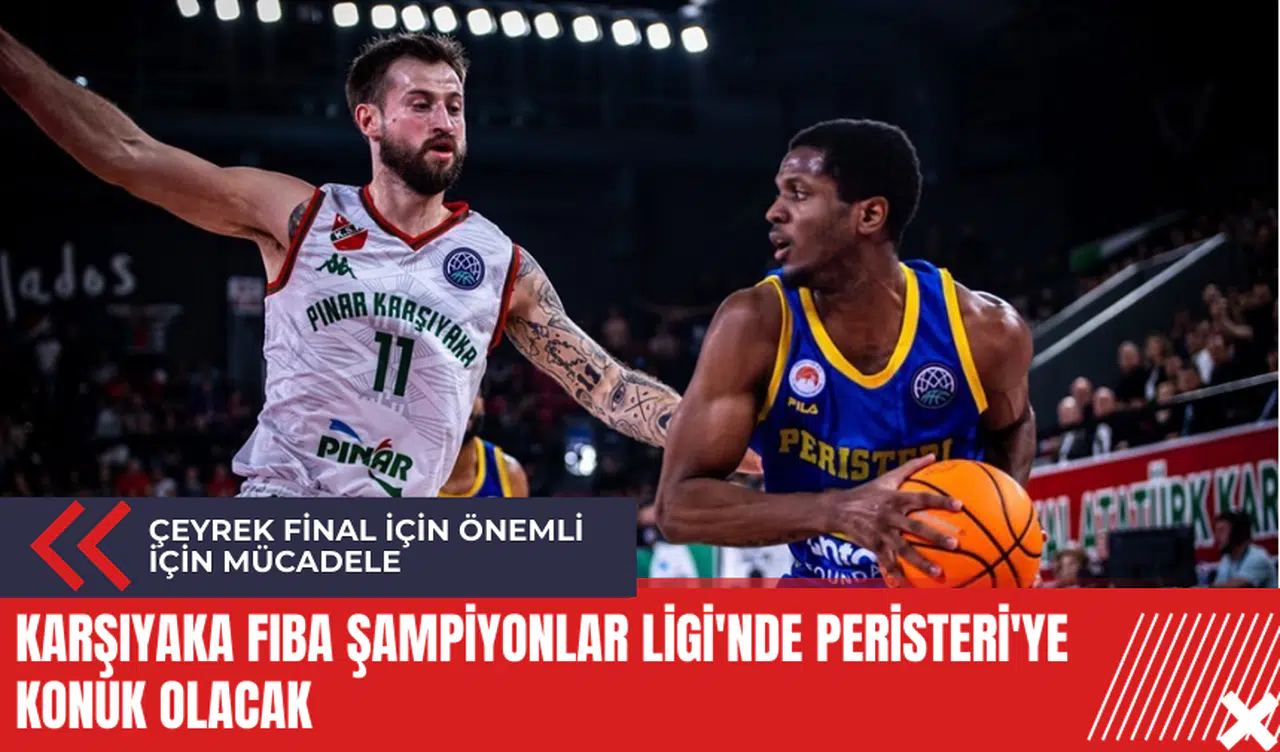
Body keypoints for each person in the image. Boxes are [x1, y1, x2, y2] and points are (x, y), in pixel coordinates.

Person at [0, 29, 757, 497]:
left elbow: (609, 387)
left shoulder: (501, 265)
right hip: (285, 516)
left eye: (454, 105)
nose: (444, 120)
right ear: (369, 119)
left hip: (396, 547)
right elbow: (126, 153)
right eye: (421, 104)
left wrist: (722, 440)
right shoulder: (302, 217)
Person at [655, 119, 1036, 585]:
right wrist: (837, 510)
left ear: (869, 215)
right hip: (822, 594)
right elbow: (678, 507)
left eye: (799, 193)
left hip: (940, 595)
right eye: (778, 193)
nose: (773, 212)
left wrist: (1003, 525)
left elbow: (1013, 426)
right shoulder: (754, 325)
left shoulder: (984, 331)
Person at [439, 394, 528, 498]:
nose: (462, 402)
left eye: (474, 391)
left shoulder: (509, 473)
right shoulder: (420, 468)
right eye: (452, 393)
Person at [1211, 512, 1278, 588]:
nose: (1217, 537)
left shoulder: (1258, 557)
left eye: (1221, 531)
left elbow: (1232, 589)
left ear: (1236, 533)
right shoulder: (1226, 559)